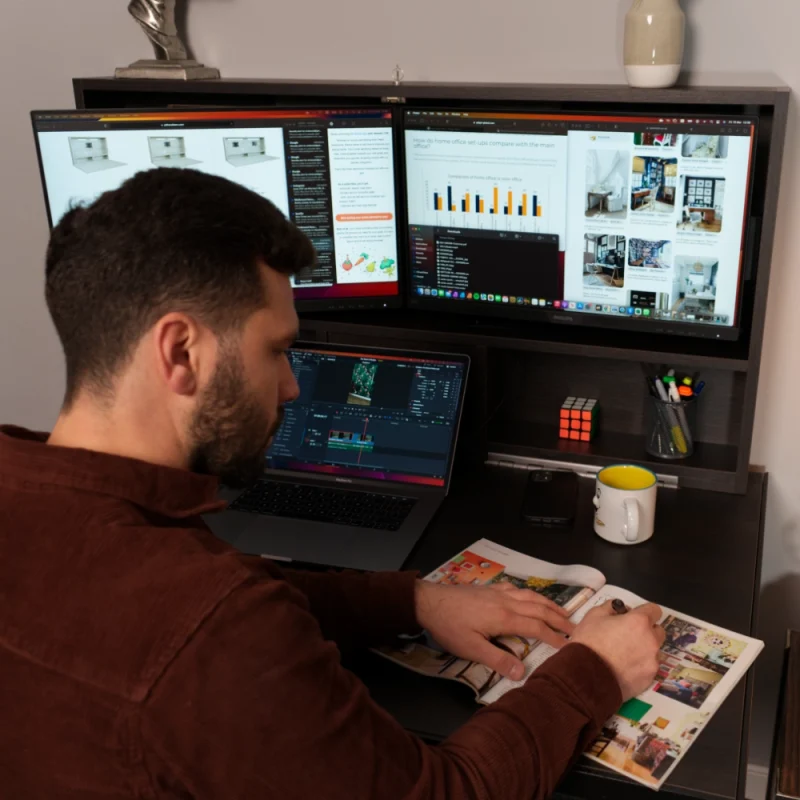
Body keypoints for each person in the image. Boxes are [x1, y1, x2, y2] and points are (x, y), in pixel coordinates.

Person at [0, 168, 665, 799]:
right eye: (275, 350)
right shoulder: (212, 625)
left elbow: (218, 610)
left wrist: (413, 602)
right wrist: (595, 672)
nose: (292, 386)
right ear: (180, 352)